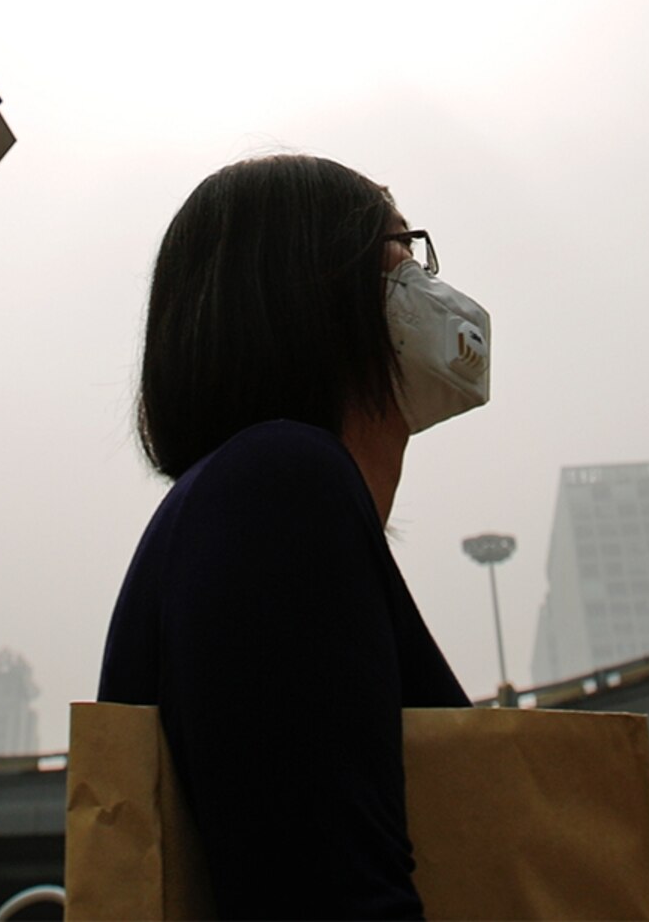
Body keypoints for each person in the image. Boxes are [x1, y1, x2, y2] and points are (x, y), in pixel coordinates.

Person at [97, 153, 496, 920]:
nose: (433, 285)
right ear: (317, 289)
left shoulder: (259, 497)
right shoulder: (279, 488)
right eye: (404, 253)